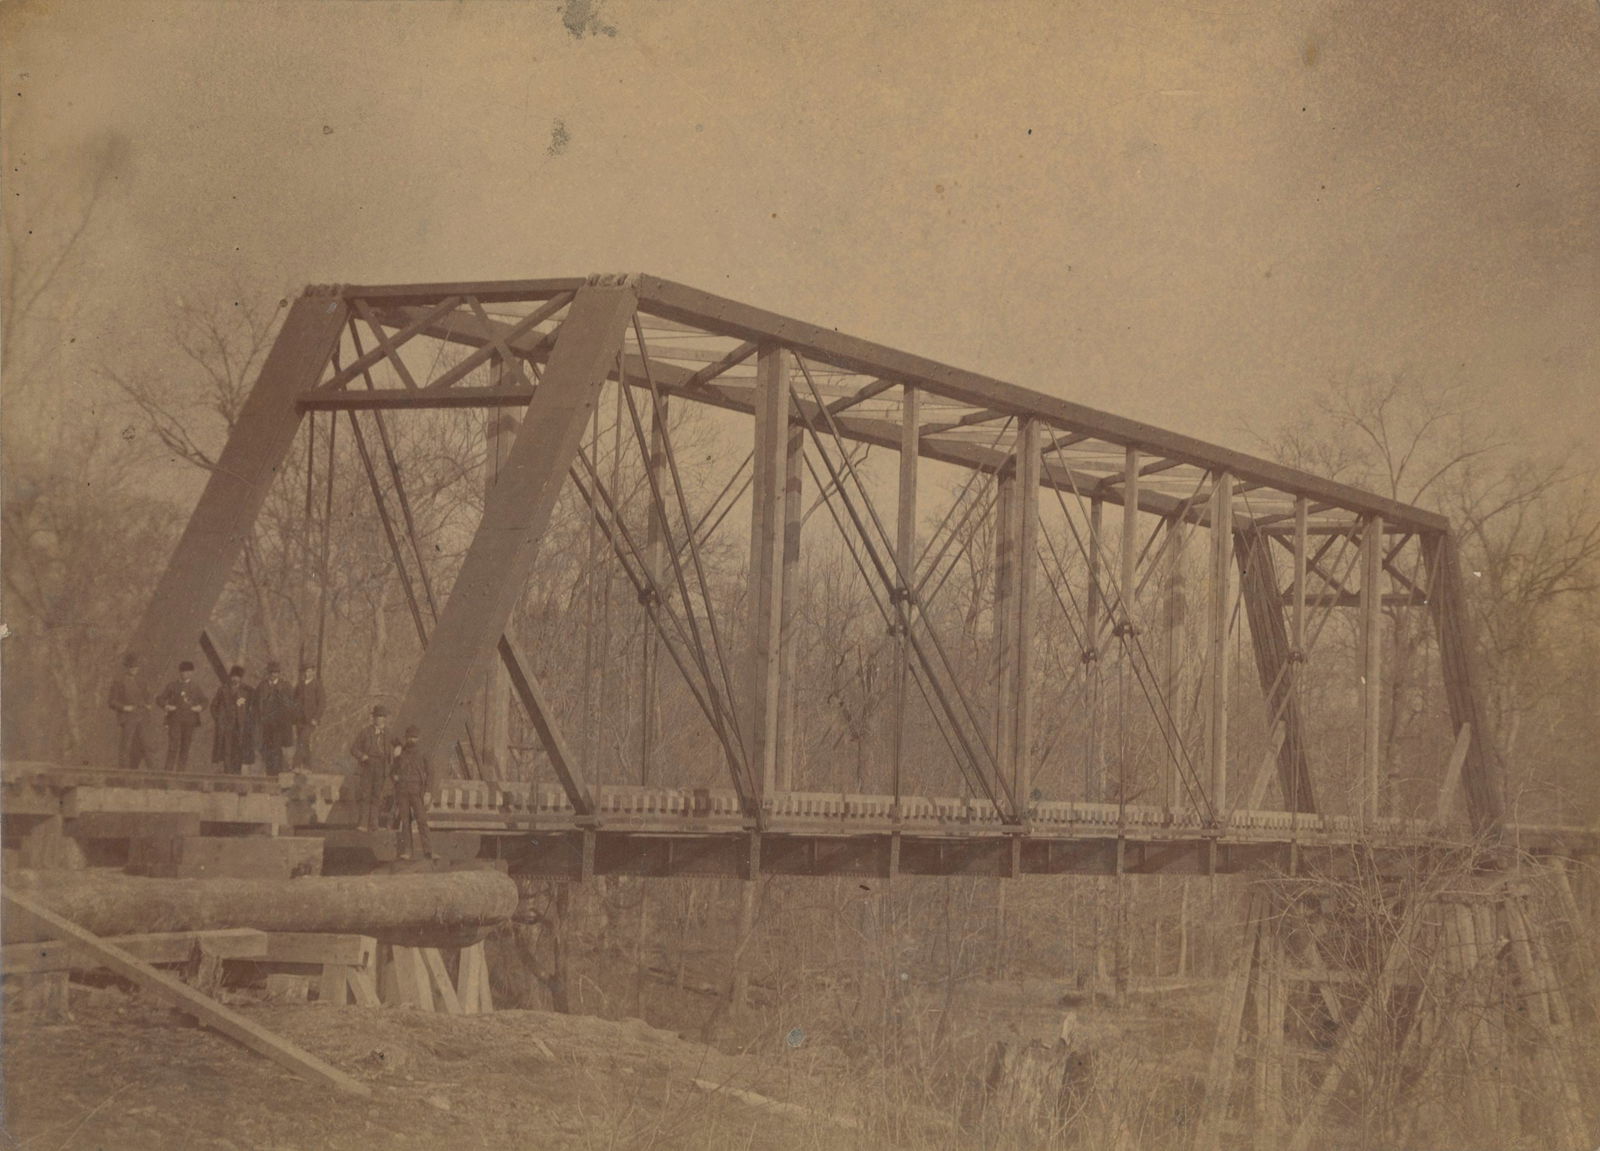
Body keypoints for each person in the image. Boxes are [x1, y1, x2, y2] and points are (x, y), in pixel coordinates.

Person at [391, 724, 437, 861]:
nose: (412, 740)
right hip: (403, 792)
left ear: (418, 738)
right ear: (406, 738)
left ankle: (428, 851)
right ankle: (407, 852)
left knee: (422, 821)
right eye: (409, 737)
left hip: (417, 792)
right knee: (405, 822)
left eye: (414, 737)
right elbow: (392, 771)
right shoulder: (400, 753)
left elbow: (431, 773)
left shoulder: (424, 753)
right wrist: (395, 777)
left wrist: (428, 791)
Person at [155, 660, 207, 771]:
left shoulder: (195, 687)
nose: (186, 674)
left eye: (189, 672)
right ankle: (168, 772)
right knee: (173, 745)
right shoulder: (172, 686)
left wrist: (199, 707)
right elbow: (159, 699)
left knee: (185, 746)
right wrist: (166, 706)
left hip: (190, 720)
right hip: (175, 720)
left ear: (192, 673)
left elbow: (205, 701)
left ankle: (181, 773)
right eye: (184, 672)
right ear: (180, 673)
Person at [349, 704, 393, 832]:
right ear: (373, 718)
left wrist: (397, 750)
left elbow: (398, 745)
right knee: (365, 795)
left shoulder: (389, 733)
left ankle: (374, 824)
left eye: (383, 717)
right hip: (368, 766)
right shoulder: (365, 732)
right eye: (379, 717)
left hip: (381, 767)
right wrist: (362, 756)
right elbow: (353, 749)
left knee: (377, 796)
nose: (381, 719)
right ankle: (363, 823)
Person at [107, 652, 154, 770]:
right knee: (126, 745)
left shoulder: (142, 681)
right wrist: (124, 707)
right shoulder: (119, 682)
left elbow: (147, 696)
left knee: (146, 745)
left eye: (136, 667)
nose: (134, 669)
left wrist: (148, 704)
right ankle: (124, 772)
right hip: (128, 717)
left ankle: (153, 773)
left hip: (142, 716)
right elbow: (111, 701)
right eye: (132, 667)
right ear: (127, 667)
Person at [210, 665, 257, 774]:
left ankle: (237, 774)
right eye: (233, 676)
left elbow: (254, 707)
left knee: (239, 750)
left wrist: (249, 720)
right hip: (226, 726)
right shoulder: (223, 690)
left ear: (241, 678)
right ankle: (227, 774)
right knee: (226, 750)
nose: (234, 679)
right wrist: (218, 719)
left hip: (241, 726)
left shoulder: (247, 691)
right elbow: (213, 706)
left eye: (237, 677)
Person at [254, 661, 297, 775]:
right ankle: (269, 772)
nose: (274, 675)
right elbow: (256, 704)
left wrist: (288, 719)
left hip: (279, 724)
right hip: (265, 723)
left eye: (276, 673)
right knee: (266, 748)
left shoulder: (286, 686)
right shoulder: (262, 686)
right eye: (272, 673)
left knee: (277, 747)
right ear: (268, 673)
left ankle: (277, 773)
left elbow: (292, 704)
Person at [292, 663, 325, 770]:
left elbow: (322, 703)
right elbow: (294, 700)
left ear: (313, 672)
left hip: (311, 720)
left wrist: (316, 718)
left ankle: (296, 764)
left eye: (309, 671)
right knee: (303, 742)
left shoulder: (317, 685)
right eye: (305, 671)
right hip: (299, 719)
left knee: (302, 739)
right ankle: (308, 766)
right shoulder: (299, 685)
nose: (307, 673)